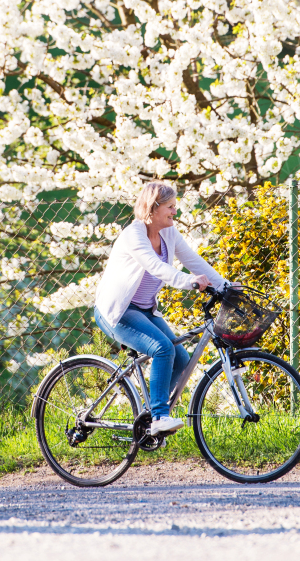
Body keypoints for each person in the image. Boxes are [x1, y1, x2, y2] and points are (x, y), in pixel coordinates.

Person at [93, 181, 230, 435]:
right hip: (118, 312)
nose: (174, 212)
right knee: (162, 348)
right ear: (153, 208)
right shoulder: (134, 235)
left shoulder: (168, 233)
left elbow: (193, 261)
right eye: (170, 207)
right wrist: (189, 281)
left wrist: (226, 287)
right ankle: (159, 417)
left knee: (180, 358)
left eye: (175, 206)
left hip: (144, 310)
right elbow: (157, 267)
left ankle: (149, 417)